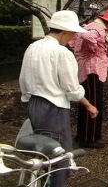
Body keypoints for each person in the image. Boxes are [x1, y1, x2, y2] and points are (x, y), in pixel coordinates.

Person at [19, 10, 98, 187]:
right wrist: (88, 105)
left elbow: (23, 79)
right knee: (59, 153)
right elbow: (71, 88)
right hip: (52, 107)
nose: (73, 37)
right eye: (72, 33)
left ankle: (39, 181)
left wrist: (28, 100)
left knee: (40, 148)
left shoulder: (33, 47)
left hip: (34, 104)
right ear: (64, 31)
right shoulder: (61, 53)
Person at [69, 9, 108, 148]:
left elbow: (74, 41)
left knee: (88, 102)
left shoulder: (95, 27)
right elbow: (86, 37)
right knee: (92, 103)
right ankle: (88, 138)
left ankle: (83, 135)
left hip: (91, 70)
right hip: (92, 71)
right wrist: (91, 50)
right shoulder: (98, 28)